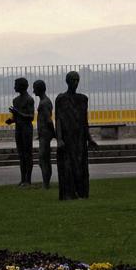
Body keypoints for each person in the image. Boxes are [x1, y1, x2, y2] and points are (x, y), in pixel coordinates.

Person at [55, 71, 97, 200]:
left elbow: (85, 121)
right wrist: (59, 139)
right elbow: (58, 120)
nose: (75, 83)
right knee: (67, 167)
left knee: (80, 166)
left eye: (77, 80)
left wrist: (89, 138)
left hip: (80, 138)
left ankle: (81, 192)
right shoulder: (61, 99)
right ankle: (69, 194)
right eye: (73, 80)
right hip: (67, 139)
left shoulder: (82, 99)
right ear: (67, 81)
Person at [5, 77, 35, 187]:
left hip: (27, 129)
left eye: (16, 85)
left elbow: (31, 117)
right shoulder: (15, 100)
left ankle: (28, 180)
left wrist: (18, 113)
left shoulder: (29, 100)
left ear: (21, 86)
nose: (14, 87)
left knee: (28, 154)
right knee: (21, 154)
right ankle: (23, 179)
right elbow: (16, 117)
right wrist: (11, 120)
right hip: (19, 129)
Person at [33, 79, 55, 189]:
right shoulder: (44, 101)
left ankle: (46, 184)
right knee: (45, 159)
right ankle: (46, 183)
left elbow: (48, 120)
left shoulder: (44, 103)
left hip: (45, 135)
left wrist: (53, 133)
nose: (33, 91)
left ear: (39, 89)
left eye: (34, 88)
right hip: (44, 134)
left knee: (43, 159)